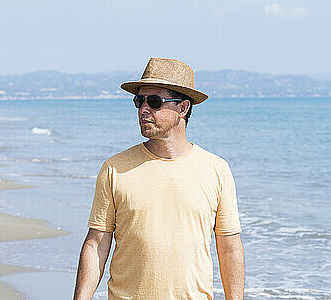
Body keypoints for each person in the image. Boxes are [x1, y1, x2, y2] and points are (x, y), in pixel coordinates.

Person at [73, 57, 244, 300]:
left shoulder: (217, 170)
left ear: (183, 109)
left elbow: (229, 248)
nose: (144, 109)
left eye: (154, 102)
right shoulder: (114, 168)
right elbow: (96, 244)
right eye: (139, 101)